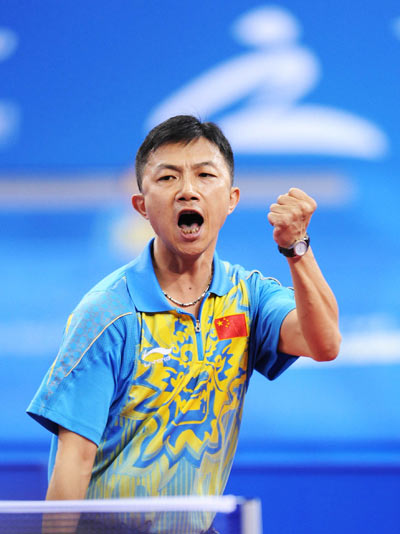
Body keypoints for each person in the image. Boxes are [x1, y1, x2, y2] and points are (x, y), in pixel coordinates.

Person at [27, 115, 341, 533]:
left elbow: (324, 343)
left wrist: (296, 248)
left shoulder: (247, 297)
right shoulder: (109, 312)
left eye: (205, 175)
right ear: (141, 204)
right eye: (168, 177)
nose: (187, 190)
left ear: (231, 199)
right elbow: (74, 459)